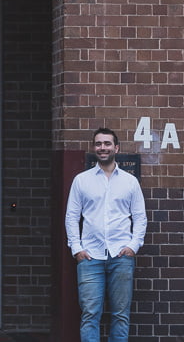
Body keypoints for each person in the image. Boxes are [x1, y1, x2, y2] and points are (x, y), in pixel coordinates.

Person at [64, 127, 147, 342]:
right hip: (90, 257)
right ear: (94, 148)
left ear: (116, 148)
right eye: (99, 144)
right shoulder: (81, 180)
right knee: (90, 314)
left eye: (107, 143)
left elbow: (140, 218)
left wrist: (132, 247)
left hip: (121, 257)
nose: (103, 147)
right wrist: (77, 249)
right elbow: (71, 217)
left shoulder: (130, 182)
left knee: (120, 315)